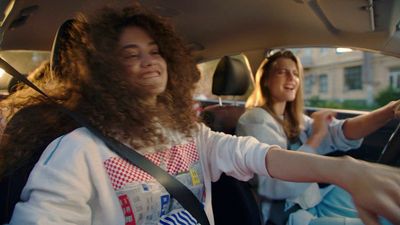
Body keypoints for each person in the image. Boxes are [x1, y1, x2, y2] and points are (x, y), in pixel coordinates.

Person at [5, 6, 400, 225]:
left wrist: (344, 170)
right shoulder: (76, 153)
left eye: (155, 50)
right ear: (104, 70)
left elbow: (254, 155)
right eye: (130, 54)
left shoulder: (190, 134)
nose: (149, 61)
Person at [236, 50, 400, 225]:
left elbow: (339, 132)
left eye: (295, 73)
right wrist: (316, 137)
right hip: (289, 215)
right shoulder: (255, 120)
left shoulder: (295, 119)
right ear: (266, 80)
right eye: (282, 72)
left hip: (315, 199)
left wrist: (389, 111)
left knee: (386, 194)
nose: (291, 78)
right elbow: (276, 187)